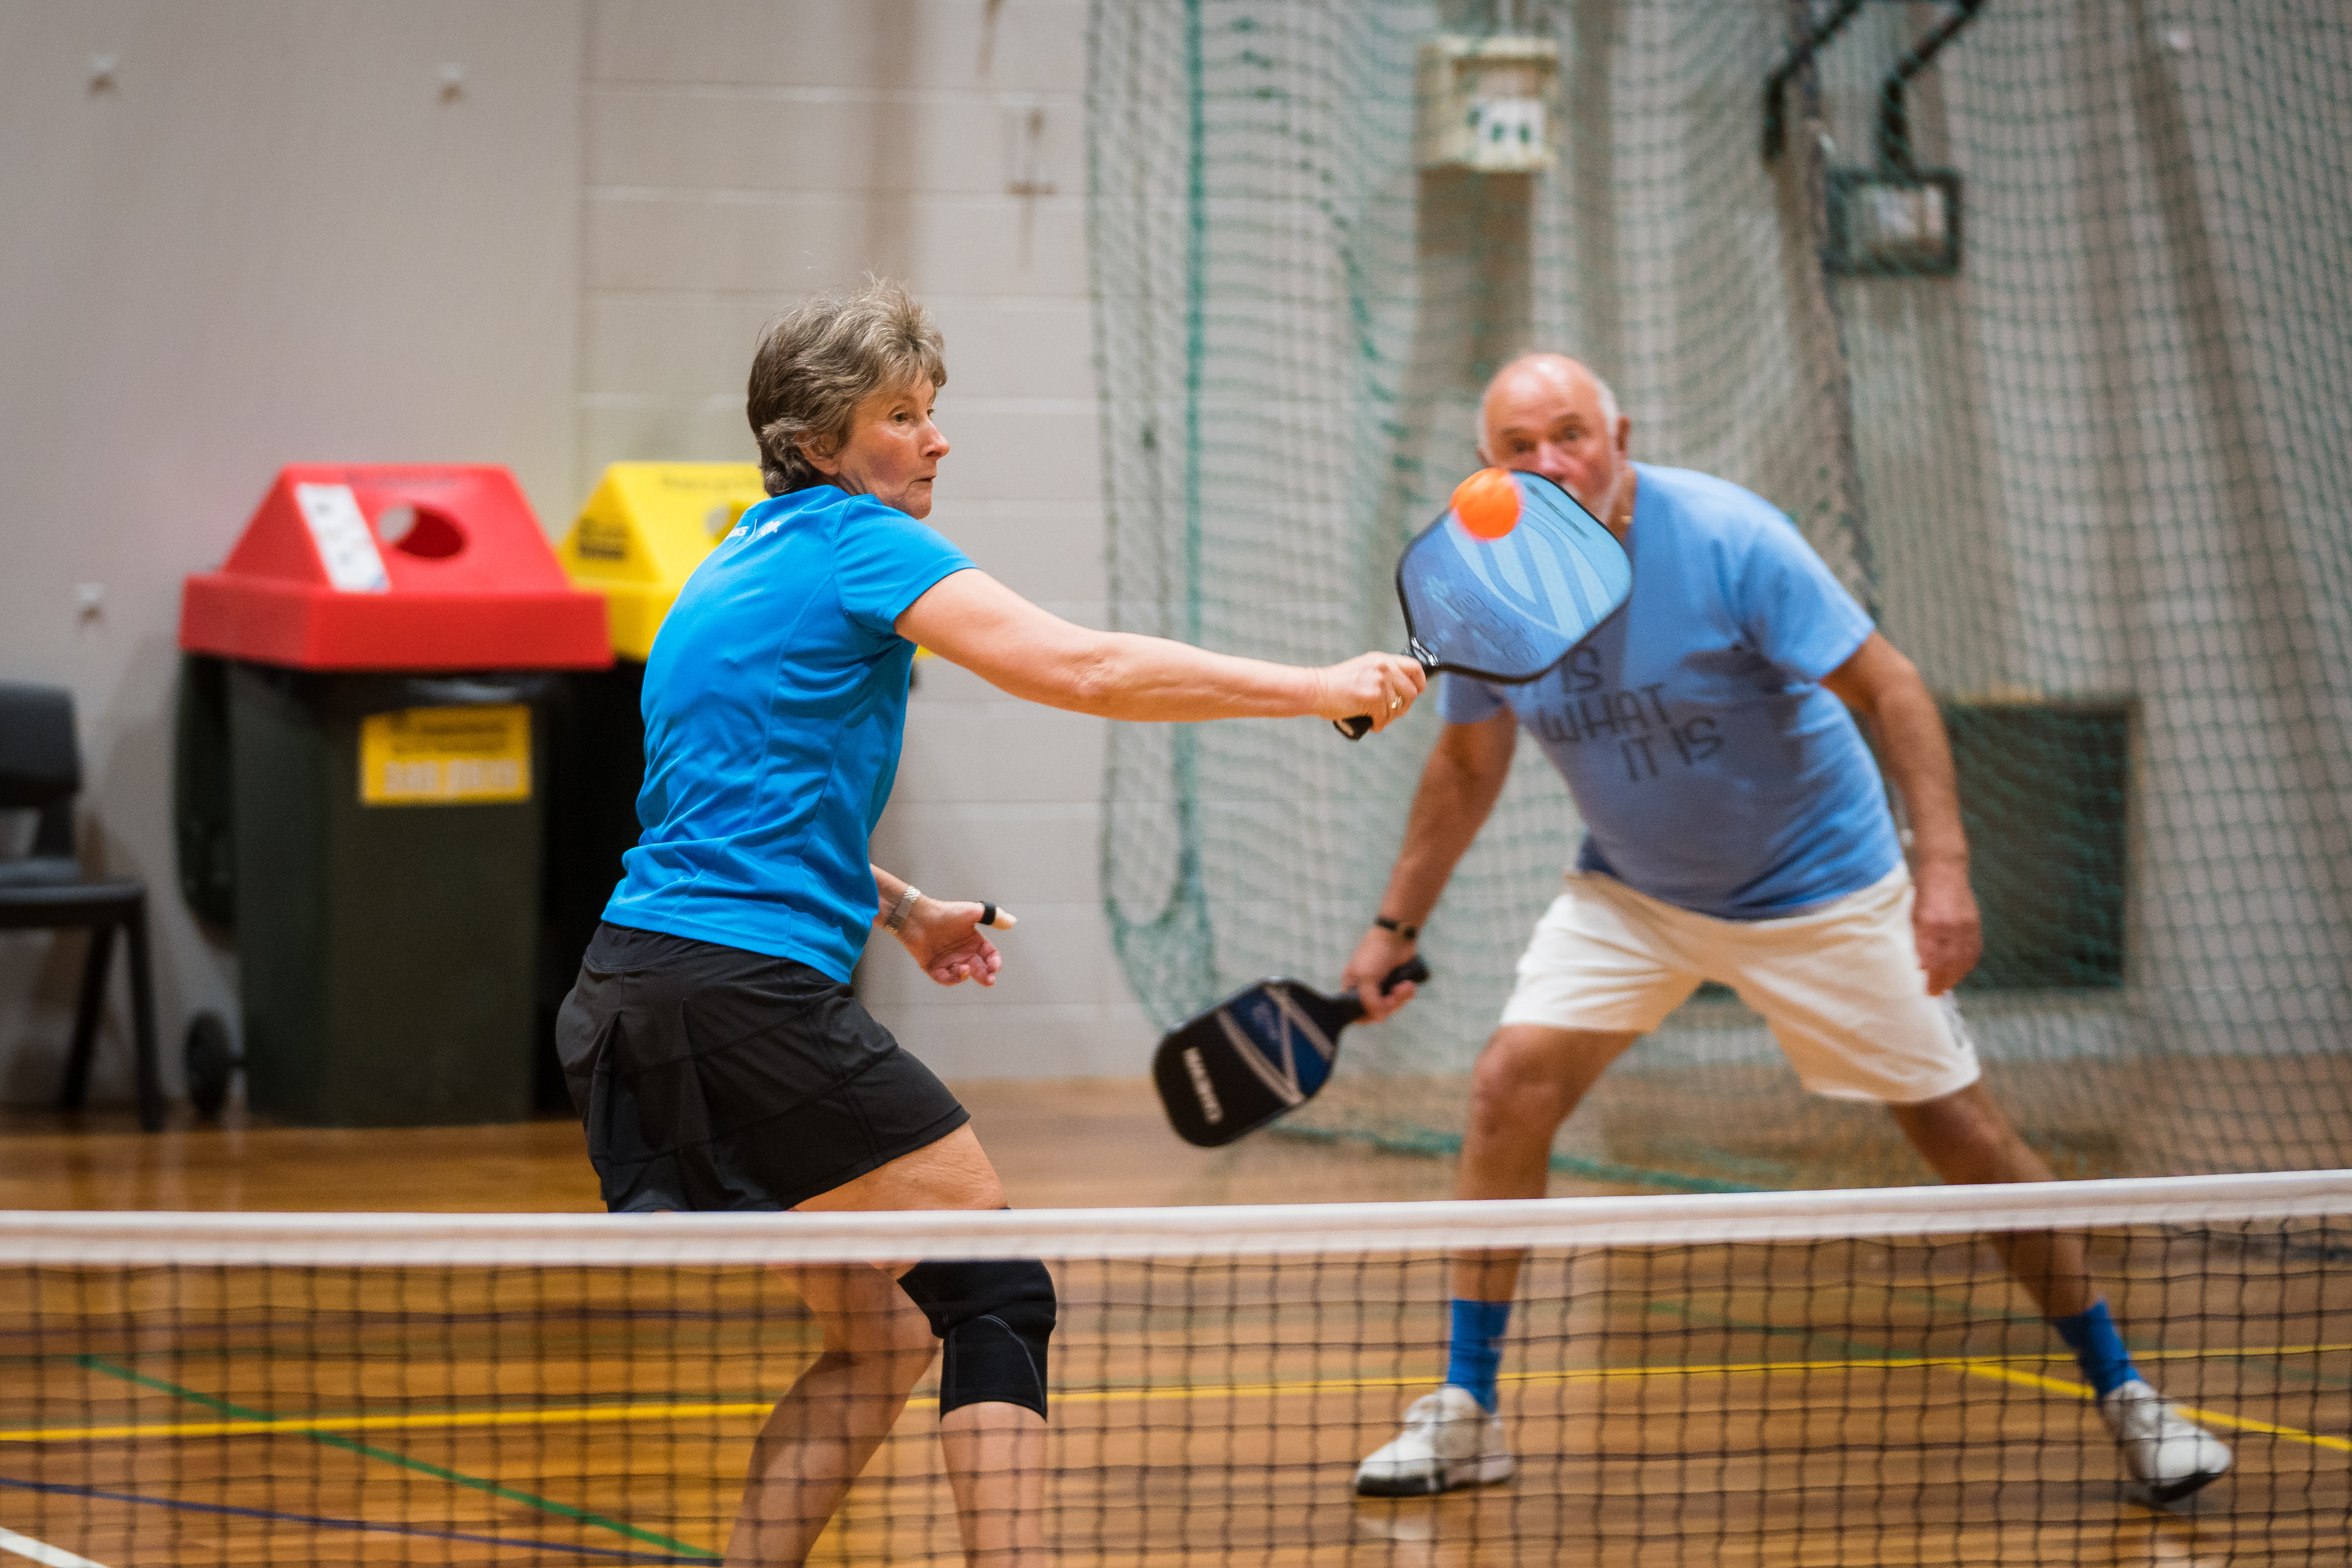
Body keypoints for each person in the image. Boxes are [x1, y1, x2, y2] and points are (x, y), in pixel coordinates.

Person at [555, 278, 1426, 1568]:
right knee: (994, 1292)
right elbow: (1079, 668)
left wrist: (901, 905)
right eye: (900, 416)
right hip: (742, 993)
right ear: (816, 446)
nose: (936, 438)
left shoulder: (729, 564)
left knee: (882, 1334)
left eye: (932, 410)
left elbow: (726, 810)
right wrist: (1318, 687)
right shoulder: (861, 544)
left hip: (633, 993)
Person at [1346, 353, 2232, 1505]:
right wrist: (1390, 925)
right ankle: (1468, 1410)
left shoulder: (1725, 536)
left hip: (1820, 887)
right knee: (1508, 1081)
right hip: (1635, 895)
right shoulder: (1479, 581)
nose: (1549, 460)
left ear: (1620, 433)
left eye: (1571, 432)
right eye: (1520, 445)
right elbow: (1468, 761)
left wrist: (1943, 872)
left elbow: (1895, 689)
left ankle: (2127, 1394)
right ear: (1488, 466)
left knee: (1957, 1131)